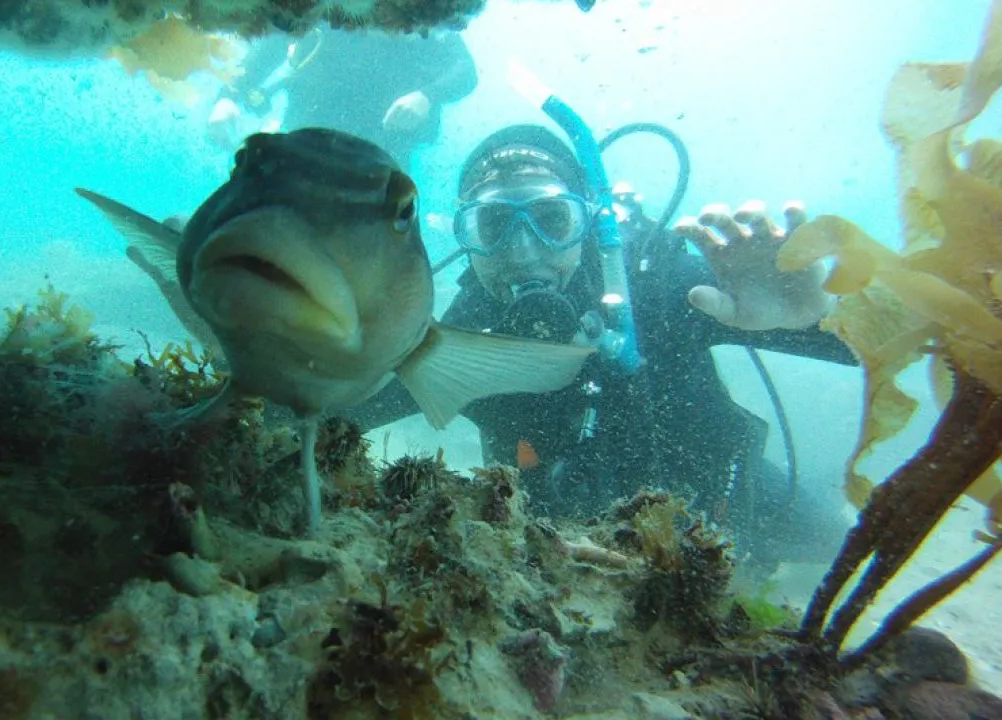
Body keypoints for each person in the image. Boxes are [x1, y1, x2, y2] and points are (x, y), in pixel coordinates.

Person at [349, 124, 859, 573]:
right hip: (562, 552)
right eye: (492, 226)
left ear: (588, 223)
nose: (522, 250)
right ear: (467, 238)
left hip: (734, 512)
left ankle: (815, 493)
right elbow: (336, 411)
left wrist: (816, 317)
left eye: (551, 219)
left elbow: (904, 346)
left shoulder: (661, 287)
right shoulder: (462, 336)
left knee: (839, 542)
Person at [205, 24, 477, 168]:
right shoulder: (322, 7)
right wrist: (228, 96)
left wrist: (427, 96)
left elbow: (465, 70)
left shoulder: (420, 14)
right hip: (308, 137)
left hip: (383, 151)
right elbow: (270, 47)